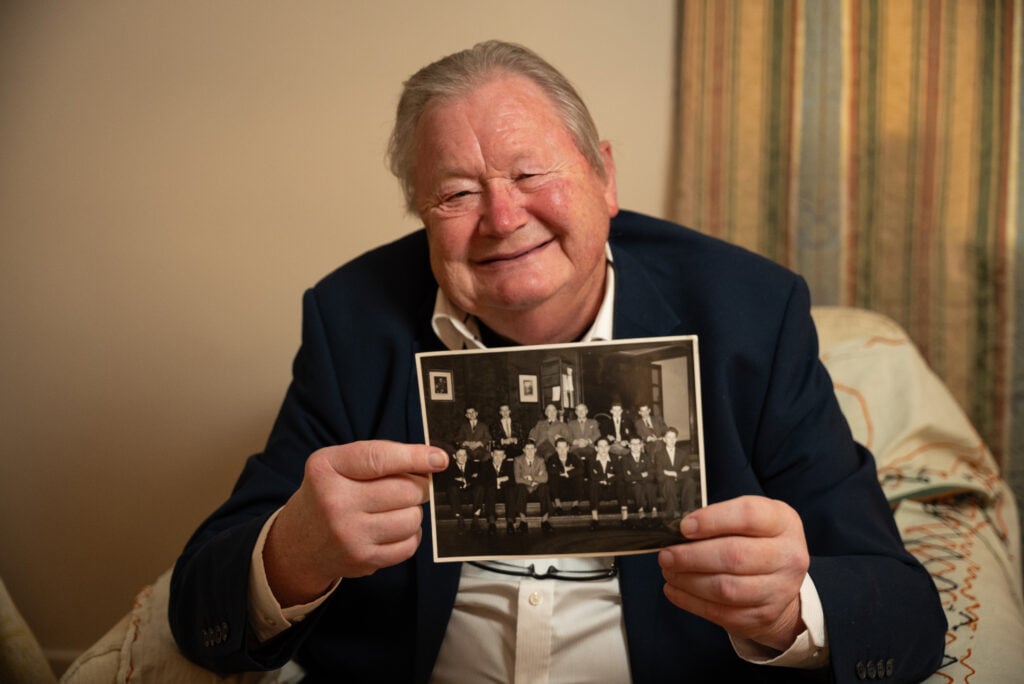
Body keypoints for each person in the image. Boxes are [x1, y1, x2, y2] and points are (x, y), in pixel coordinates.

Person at [169, 40, 945, 682]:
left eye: (531, 173)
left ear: (604, 176)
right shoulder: (351, 322)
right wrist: (293, 555)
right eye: (456, 194)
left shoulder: (752, 313)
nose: (503, 218)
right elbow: (200, 605)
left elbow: (905, 615)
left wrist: (790, 607)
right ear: (421, 216)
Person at [653, 427, 699, 524]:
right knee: (669, 482)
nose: (671, 440)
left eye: (674, 438)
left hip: (681, 483)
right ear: (664, 440)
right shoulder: (659, 454)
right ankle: (674, 511)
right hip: (667, 485)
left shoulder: (682, 453)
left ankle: (687, 510)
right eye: (669, 437)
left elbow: (689, 471)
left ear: (676, 439)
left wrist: (674, 473)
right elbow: (660, 475)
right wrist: (680, 472)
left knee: (690, 481)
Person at [512, 440, 553, 533]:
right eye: (527, 449)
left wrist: (531, 478)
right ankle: (523, 522)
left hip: (537, 488)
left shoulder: (540, 460)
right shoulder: (518, 460)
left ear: (535, 450)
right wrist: (531, 482)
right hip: (525, 488)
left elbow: (545, 478)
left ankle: (545, 521)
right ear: (523, 450)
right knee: (520, 488)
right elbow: (517, 479)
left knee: (545, 487)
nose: (530, 451)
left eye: (532, 449)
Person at [476, 446, 516, 534]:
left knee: (510, 490)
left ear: (504, 456)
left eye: (500, 455)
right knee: (490, 489)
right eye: (496, 455)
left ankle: (510, 521)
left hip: (505, 492)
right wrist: (498, 480)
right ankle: (491, 522)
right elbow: (482, 481)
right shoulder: (485, 465)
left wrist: (493, 481)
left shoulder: (509, 465)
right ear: (492, 455)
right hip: (491, 493)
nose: (498, 458)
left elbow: (512, 481)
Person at [620, 436, 659, 527]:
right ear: (629, 445)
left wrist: (635, 477)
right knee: (637, 485)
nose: (636, 446)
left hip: (645, 484)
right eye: (633, 444)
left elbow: (651, 473)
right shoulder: (625, 459)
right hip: (632, 487)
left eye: (638, 444)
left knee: (650, 485)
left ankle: (654, 511)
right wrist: (641, 475)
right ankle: (641, 512)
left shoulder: (646, 457)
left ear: (641, 445)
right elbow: (627, 477)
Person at [587, 437, 625, 530]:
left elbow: (620, 475)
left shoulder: (615, 458)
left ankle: (625, 518)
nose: (603, 449)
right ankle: (595, 519)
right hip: (598, 490)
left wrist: (607, 480)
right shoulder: (591, 459)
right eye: (600, 446)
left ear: (609, 447)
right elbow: (591, 476)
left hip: (612, 488)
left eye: (606, 446)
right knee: (593, 485)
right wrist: (607, 476)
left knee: (621, 483)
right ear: (596, 448)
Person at [442, 447, 478, 532]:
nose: (463, 458)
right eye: (460, 455)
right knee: (452, 488)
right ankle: (460, 518)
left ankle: (476, 518)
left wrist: (463, 480)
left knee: (480, 488)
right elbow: (447, 482)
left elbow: (478, 479)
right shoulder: (449, 467)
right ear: (454, 456)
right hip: (456, 494)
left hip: (470, 493)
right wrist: (462, 481)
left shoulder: (472, 464)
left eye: (465, 455)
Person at [547, 436, 585, 515]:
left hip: (571, 485)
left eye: (564, 447)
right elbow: (549, 470)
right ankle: (558, 506)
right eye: (559, 448)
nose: (562, 450)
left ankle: (575, 506)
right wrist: (564, 469)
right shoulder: (552, 458)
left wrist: (569, 473)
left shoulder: (573, 457)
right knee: (552, 478)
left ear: (568, 448)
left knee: (579, 477)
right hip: (558, 486)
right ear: (556, 449)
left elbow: (581, 469)